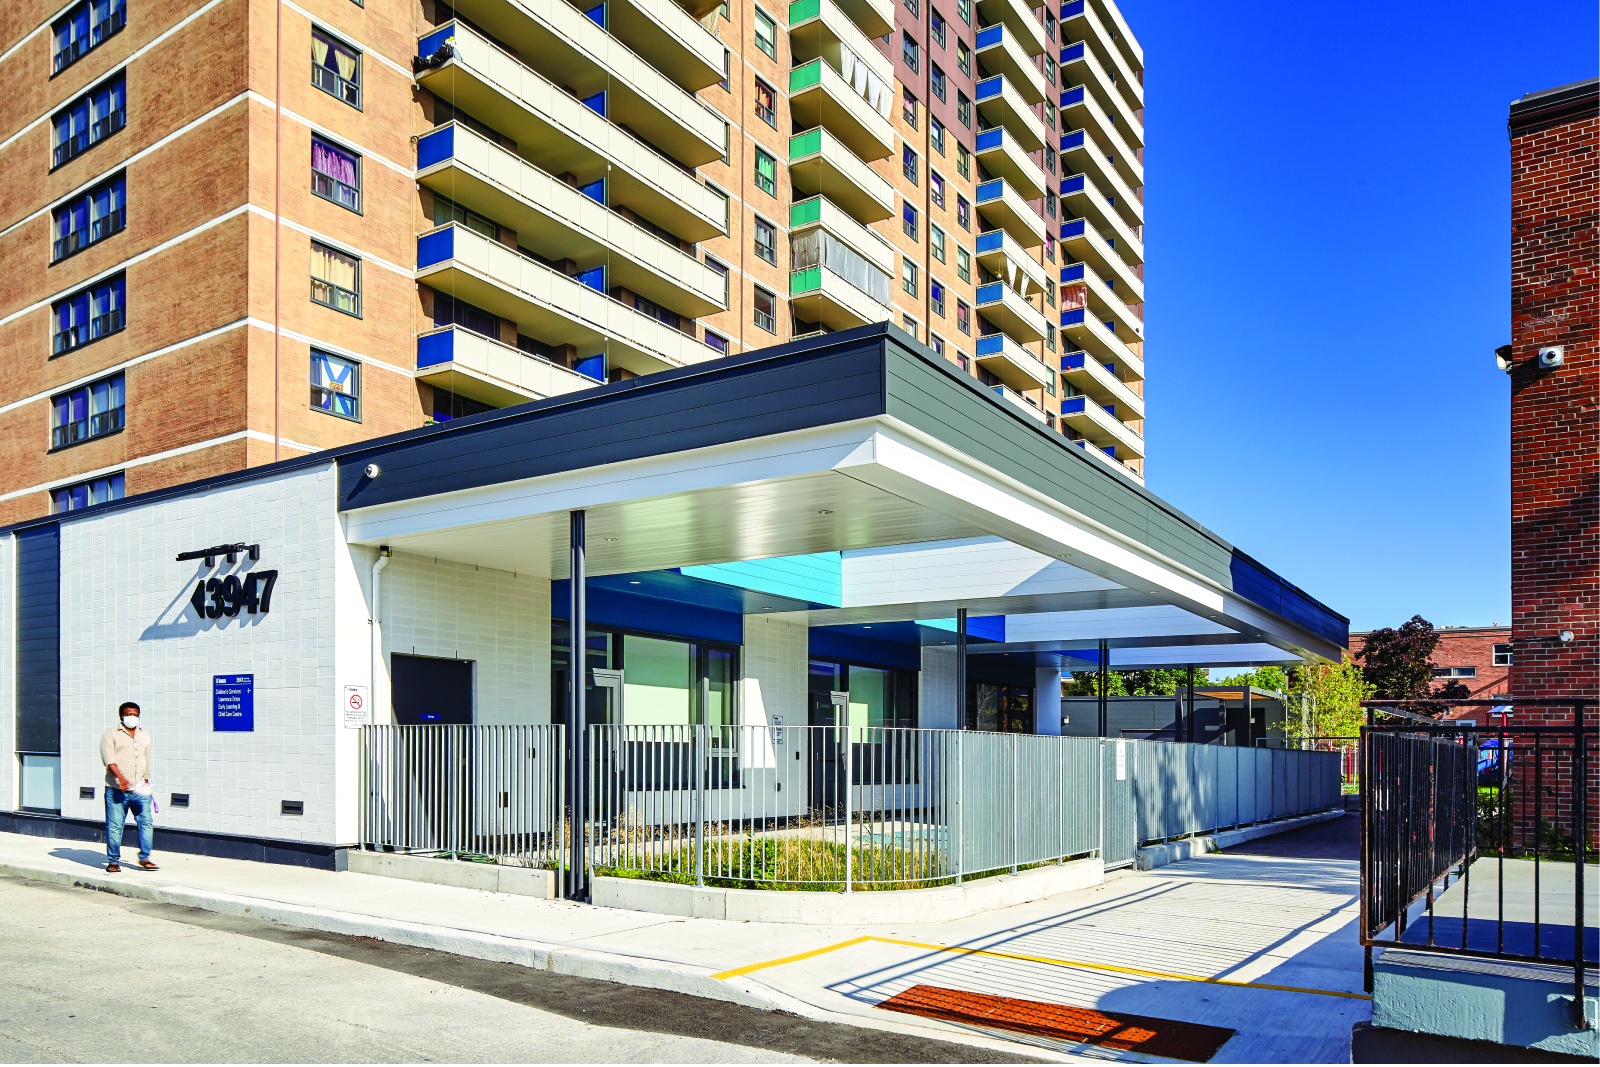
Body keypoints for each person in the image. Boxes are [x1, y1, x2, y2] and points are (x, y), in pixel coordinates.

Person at [100, 701, 157, 873]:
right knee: (115, 826)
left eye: (135, 714)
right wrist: (121, 779)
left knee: (146, 823)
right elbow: (109, 761)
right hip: (117, 790)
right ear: (121, 716)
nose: (132, 717)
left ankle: (145, 858)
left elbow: (146, 759)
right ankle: (113, 861)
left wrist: (146, 779)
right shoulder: (110, 735)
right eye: (129, 714)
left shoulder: (145, 734)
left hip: (140, 789)